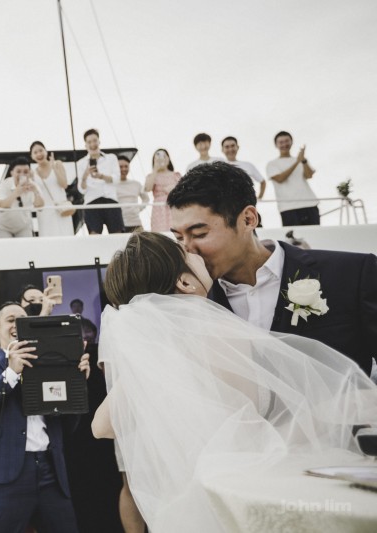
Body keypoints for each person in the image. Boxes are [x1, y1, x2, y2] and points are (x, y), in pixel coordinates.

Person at [91, 231, 377, 531]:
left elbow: (101, 426)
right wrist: (329, 412)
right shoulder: (216, 332)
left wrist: (149, 353)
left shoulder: (159, 349)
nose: (194, 251)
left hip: (188, 502)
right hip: (239, 491)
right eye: (185, 252)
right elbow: (251, 428)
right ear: (185, 282)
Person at [168, 161, 377, 377]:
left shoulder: (352, 274)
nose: (188, 249)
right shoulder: (195, 309)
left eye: (200, 234)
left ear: (248, 220)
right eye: (178, 237)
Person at [0, 302, 90, 533]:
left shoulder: (47, 363)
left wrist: (76, 382)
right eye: (11, 320)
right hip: (3, 475)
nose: (16, 325)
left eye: (22, 320)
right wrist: (10, 373)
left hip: (50, 470)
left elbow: (67, 425)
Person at [266, 131, 320, 226]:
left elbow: (309, 175)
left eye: (287, 141)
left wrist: (303, 161)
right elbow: (280, 179)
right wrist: (297, 162)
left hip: (310, 204)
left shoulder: (301, 160)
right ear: (276, 145)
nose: (284, 144)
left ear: (291, 142)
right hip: (288, 208)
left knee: (314, 238)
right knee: (292, 240)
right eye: (281, 142)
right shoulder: (272, 164)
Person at [76, 129, 124, 235]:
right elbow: (81, 189)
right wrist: (85, 175)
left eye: (94, 140)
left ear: (99, 142)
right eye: (89, 142)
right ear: (85, 145)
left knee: (117, 235)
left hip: (110, 200)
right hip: (92, 202)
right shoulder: (81, 163)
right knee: (94, 237)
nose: (93, 144)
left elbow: (116, 179)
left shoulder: (111, 158)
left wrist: (101, 176)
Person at [30, 141, 73, 237]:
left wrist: (54, 168)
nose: (39, 154)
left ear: (46, 151)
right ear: (32, 156)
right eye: (35, 152)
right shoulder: (33, 173)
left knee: (65, 236)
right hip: (45, 212)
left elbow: (64, 185)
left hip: (61, 209)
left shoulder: (57, 164)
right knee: (48, 239)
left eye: (41, 150)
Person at [0, 158, 43, 239]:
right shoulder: (4, 184)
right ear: (12, 173)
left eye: (26, 172)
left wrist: (35, 191)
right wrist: (16, 192)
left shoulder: (33, 185)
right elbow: (1, 205)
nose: (22, 174)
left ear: (30, 172)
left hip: (23, 226)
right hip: (3, 227)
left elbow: (40, 206)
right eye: (18, 171)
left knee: (25, 249)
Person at [143, 149, 180, 232]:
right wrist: (155, 169)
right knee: (160, 232)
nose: (161, 158)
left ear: (168, 159)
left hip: (173, 206)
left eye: (164, 156)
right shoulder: (152, 176)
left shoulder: (175, 175)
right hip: (159, 209)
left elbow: (182, 191)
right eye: (158, 156)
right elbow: (148, 188)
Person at [114, 155, 148, 233]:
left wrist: (139, 208)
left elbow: (146, 199)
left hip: (136, 223)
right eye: (121, 167)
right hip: (118, 224)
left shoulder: (136, 184)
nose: (124, 169)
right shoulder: (112, 185)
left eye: (126, 166)